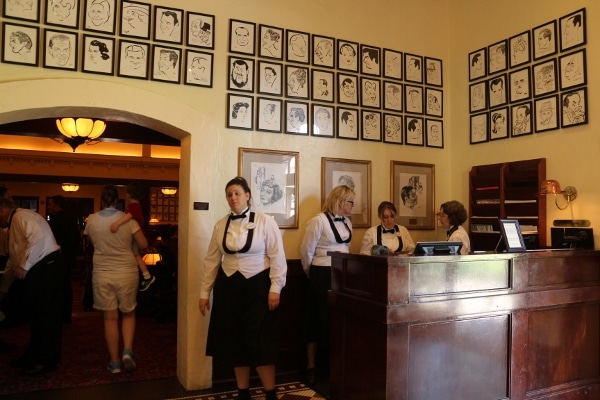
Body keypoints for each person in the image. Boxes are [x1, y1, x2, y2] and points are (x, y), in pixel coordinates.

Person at [199, 177, 287, 400]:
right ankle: (243, 393)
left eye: (237, 193)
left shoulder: (266, 222)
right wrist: (204, 293)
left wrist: (275, 287)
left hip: (259, 289)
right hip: (229, 290)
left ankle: (270, 394)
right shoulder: (220, 225)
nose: (233, 198)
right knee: (235, 343)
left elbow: (278, 257)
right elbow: (211, 260)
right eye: (229, 194)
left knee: (261, 344)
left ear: (247, 195)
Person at [83, 185, 148, 373]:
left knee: (110, 318)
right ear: (117, 200)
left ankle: (114, 362)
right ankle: (127, 351)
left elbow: (92, 242)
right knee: (128, 313)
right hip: (127, 272)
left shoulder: (92, 220)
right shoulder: (128, 219)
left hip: (102, 272)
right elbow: (143, 244)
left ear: (102, 200)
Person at [0, 197, 66, 375]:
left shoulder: (22, 217)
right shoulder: (14, 223)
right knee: (37, 317)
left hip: (47, 268)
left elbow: (39, 238)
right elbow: (14, 259)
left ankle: (47, 360)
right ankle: (34, 355)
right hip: (39, 270)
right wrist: (4, 289)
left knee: (47, 317)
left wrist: (24, 266)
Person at [300, 185, 355, 385]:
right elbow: (306, 251)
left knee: (337, 321)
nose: (352, 206)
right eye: (350, 201)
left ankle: (334, 365)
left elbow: (347, 248)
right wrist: (312, 273)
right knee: (316, 319)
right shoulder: (318, 221)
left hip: (342, 275)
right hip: (321, 273)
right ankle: (312, 366)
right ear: (339, 201)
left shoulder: (348, 223)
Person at [110, 182, 155, 292]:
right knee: (135, 255)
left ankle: (147, 276)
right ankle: (146, 275)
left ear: (129, 194)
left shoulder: (134, 206)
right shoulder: (135, 206)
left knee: (135, 255)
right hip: (135, 234)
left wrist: (117, 223)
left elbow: (129, 216)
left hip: (136, 235)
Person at [47, 195, 80, 322]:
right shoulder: (71, 220)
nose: (49, 207)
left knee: (56, 287)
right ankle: (66, 314)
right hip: (67, 257)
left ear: (57, 205)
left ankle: (57, 314)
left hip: (55, 258)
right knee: (66, 286)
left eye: (50, 204)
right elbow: (76, 239)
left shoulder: (53, 222)